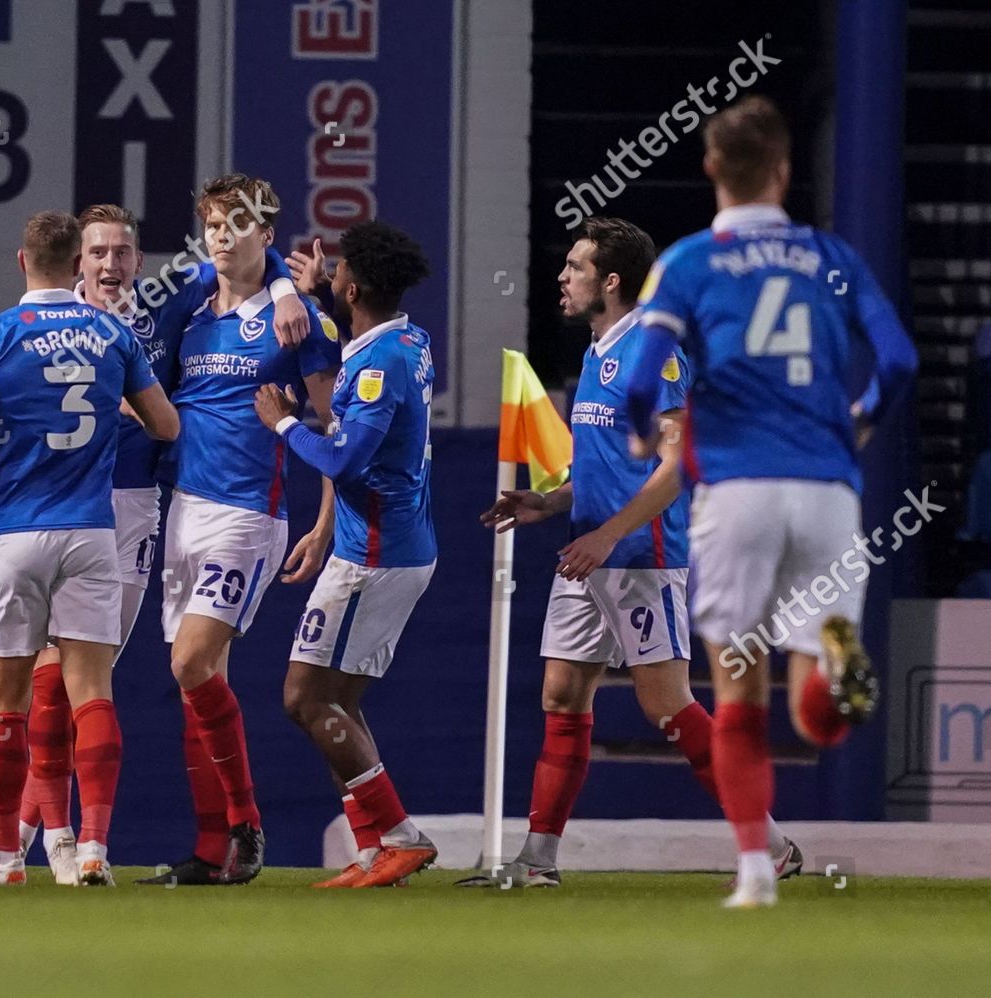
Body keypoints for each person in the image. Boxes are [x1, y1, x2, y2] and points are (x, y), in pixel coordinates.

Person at [624, 96, 918, 908]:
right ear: (785, 171)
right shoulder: (831, 259)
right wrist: (859, 419)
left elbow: (644, 382)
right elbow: (897, 359)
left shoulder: (686, 262)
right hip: (827, 486)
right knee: (821, 712)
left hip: (738, 491)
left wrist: (647, 435)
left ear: (713, 168)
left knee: (738, 689)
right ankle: (829, 661)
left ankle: (756, 871)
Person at [466, 217, 798, 888]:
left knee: (667, 706)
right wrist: (548, 504)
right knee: (561, 696)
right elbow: (605, 462)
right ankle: (537, 863)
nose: (562, 277)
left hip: (641, 557)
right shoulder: (597, 351)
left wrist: (609, 532)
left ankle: (771, 842)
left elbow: (677, 465)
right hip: (585, 549)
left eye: (576, 266)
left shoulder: (658, 351)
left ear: (609, 281)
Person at [16, 204, 307, 885]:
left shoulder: (163, 315)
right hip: (54, 510)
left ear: (138, 262)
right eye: (98, 253)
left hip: (134, 513)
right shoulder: (41, 324)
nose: (111, 265)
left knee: (88, 676)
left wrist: (290, 286)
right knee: (52, 679)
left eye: (123, 253)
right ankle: (37, 838)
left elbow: (249, 257)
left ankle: (69, 841)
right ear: (77, 263)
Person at [0, 210, 178, 886]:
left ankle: (8, 854)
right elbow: (165, 424)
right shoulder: (113, 333)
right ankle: (93, 847)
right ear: (76, 267)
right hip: (91, 532)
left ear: (21, 262)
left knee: (4, 698)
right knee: (91, 690)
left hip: (12, 531)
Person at [141, 175, 342, 886]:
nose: (223, 238)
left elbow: (333, 429)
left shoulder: (295, 324)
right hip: (183, 513)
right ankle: (212, 848)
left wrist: (323, 524)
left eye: (237, 225)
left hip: (248, 517)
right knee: (200, 686)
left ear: (267, 233)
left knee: (191, 663)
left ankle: (247, 821)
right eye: (213, 227)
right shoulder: (190, 313)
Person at [253, 220, 438, 888]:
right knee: (337, 704)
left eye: (335, 275)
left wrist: (281, 421)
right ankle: (374, 848)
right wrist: (315, 294)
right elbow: (354, 411)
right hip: (388, 546)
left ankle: (400, 835)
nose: (327, 278)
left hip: (374, 557)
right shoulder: (406, 342)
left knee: (304, 699)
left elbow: (345, 458)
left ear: (354, 285)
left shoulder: (379, 363)